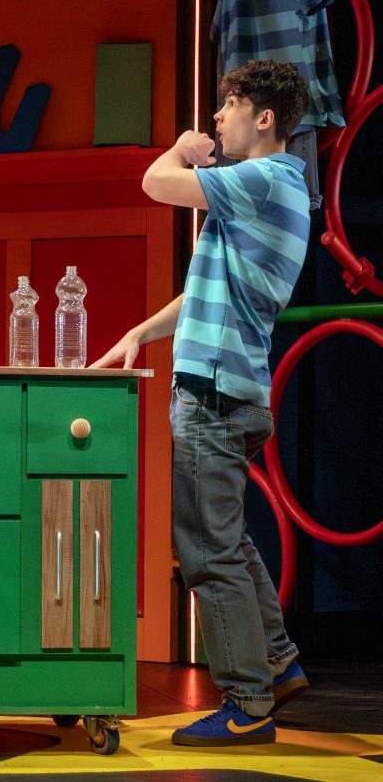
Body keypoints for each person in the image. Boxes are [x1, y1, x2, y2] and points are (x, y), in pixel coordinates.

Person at [92, 60, 311, 747]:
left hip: (215, 390)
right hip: (233, 385)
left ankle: (247, 703)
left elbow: (155, 182)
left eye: (231, 105)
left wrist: (181, 151)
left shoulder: (265, 178)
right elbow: (204, 295)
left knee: (207, 550)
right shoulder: (267, 193)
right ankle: (275, 660)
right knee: (229, 538)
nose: (218, 119)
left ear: (264, 118)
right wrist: (141, 332)